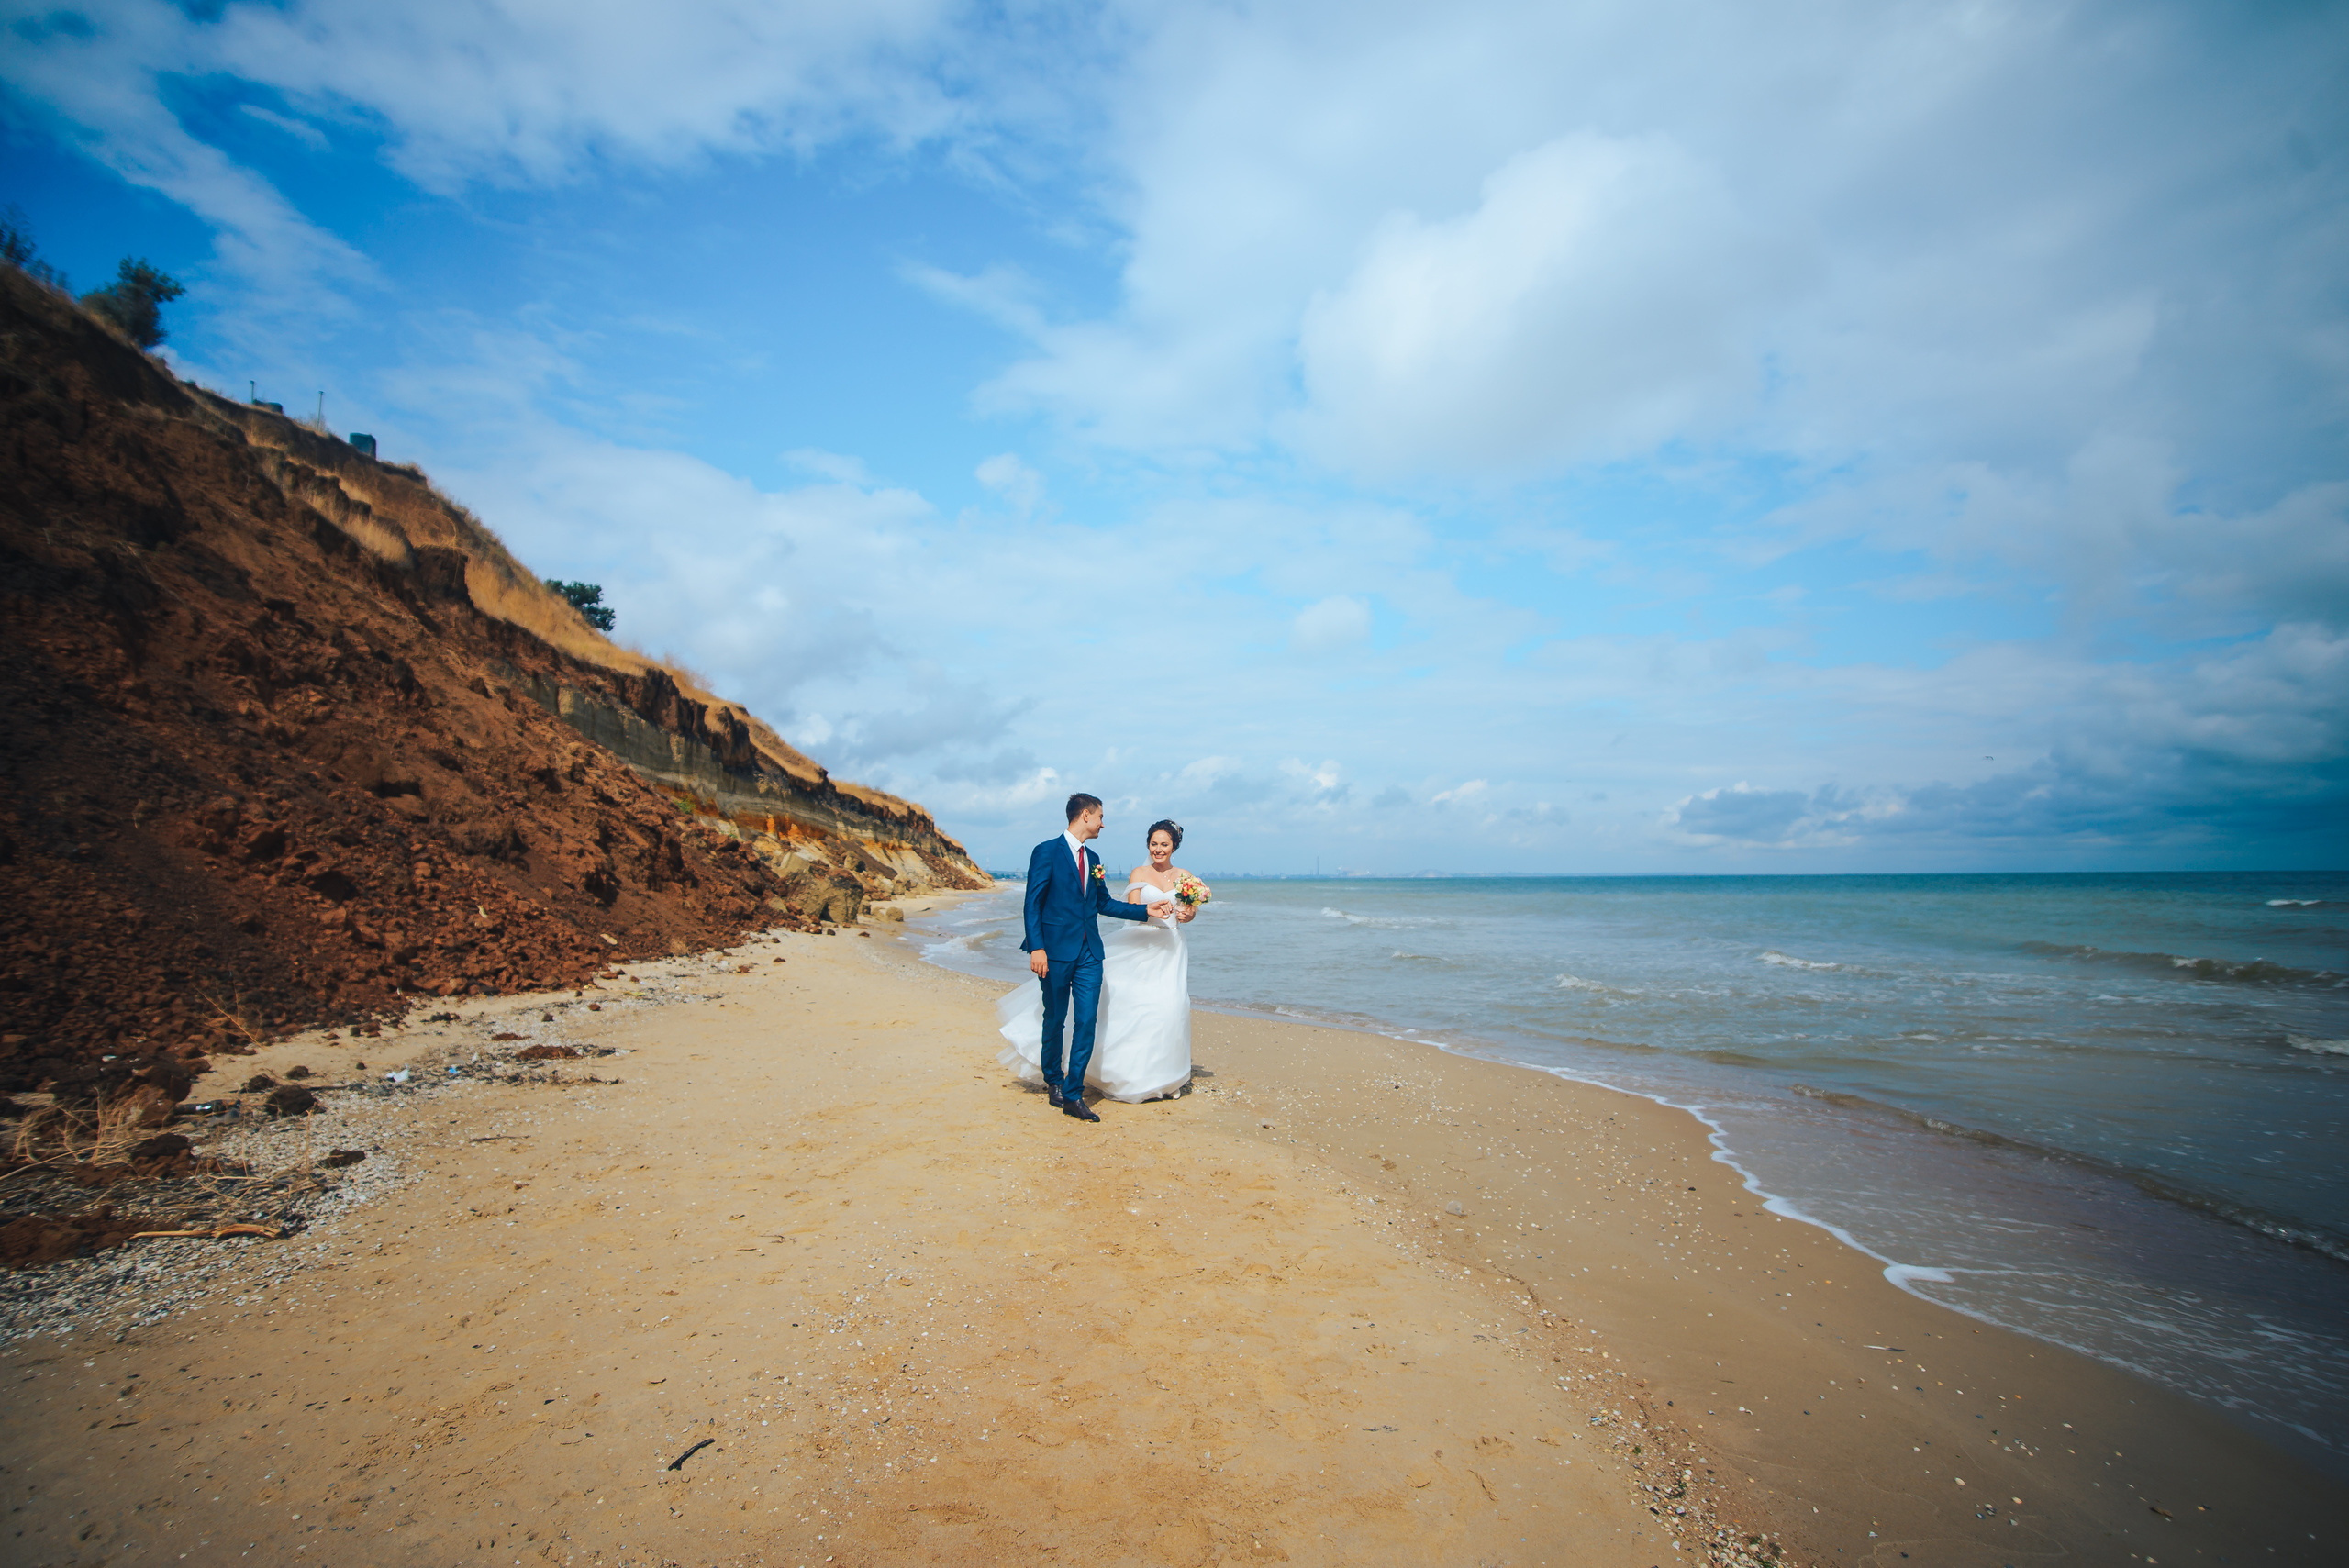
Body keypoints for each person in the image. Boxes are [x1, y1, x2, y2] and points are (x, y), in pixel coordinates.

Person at [997, 798, 1196, 1119]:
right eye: (1100, 817)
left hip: (1090, 952)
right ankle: (1054, 1082)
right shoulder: (1046, 851)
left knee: (1087, 1021)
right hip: (1055, 952)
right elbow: (1032, 904)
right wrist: (1037, 948)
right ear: (1086, 815)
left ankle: (1073, 1094)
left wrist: (1146, 910)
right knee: (1055, 1018)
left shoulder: (1094, 858)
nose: (1103, 824)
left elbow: (1104, 903)